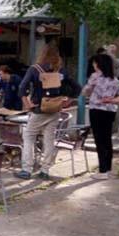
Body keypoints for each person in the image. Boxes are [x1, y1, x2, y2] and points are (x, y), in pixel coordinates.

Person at [16, 43, 80, 180]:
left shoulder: (35, 69)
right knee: (49, 140)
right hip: (55, 110)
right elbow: (77, 88)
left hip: (39, 109)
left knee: (29, 137)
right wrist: (67, 101)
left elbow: (22, 88)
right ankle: (45, 170)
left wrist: (27, 104)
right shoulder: (61, 71)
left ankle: (27, 169)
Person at [82, 54, 119, 179]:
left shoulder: (94, 76)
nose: (93, 65)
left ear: (98, 64)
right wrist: (111, 100)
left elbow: (85, 92)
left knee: (99, 140)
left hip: (96, 110)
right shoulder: (114, 79)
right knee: (107, 139)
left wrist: (89, 88)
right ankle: (108, 168)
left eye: (94, 63)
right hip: (110, 111)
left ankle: (102, 170)